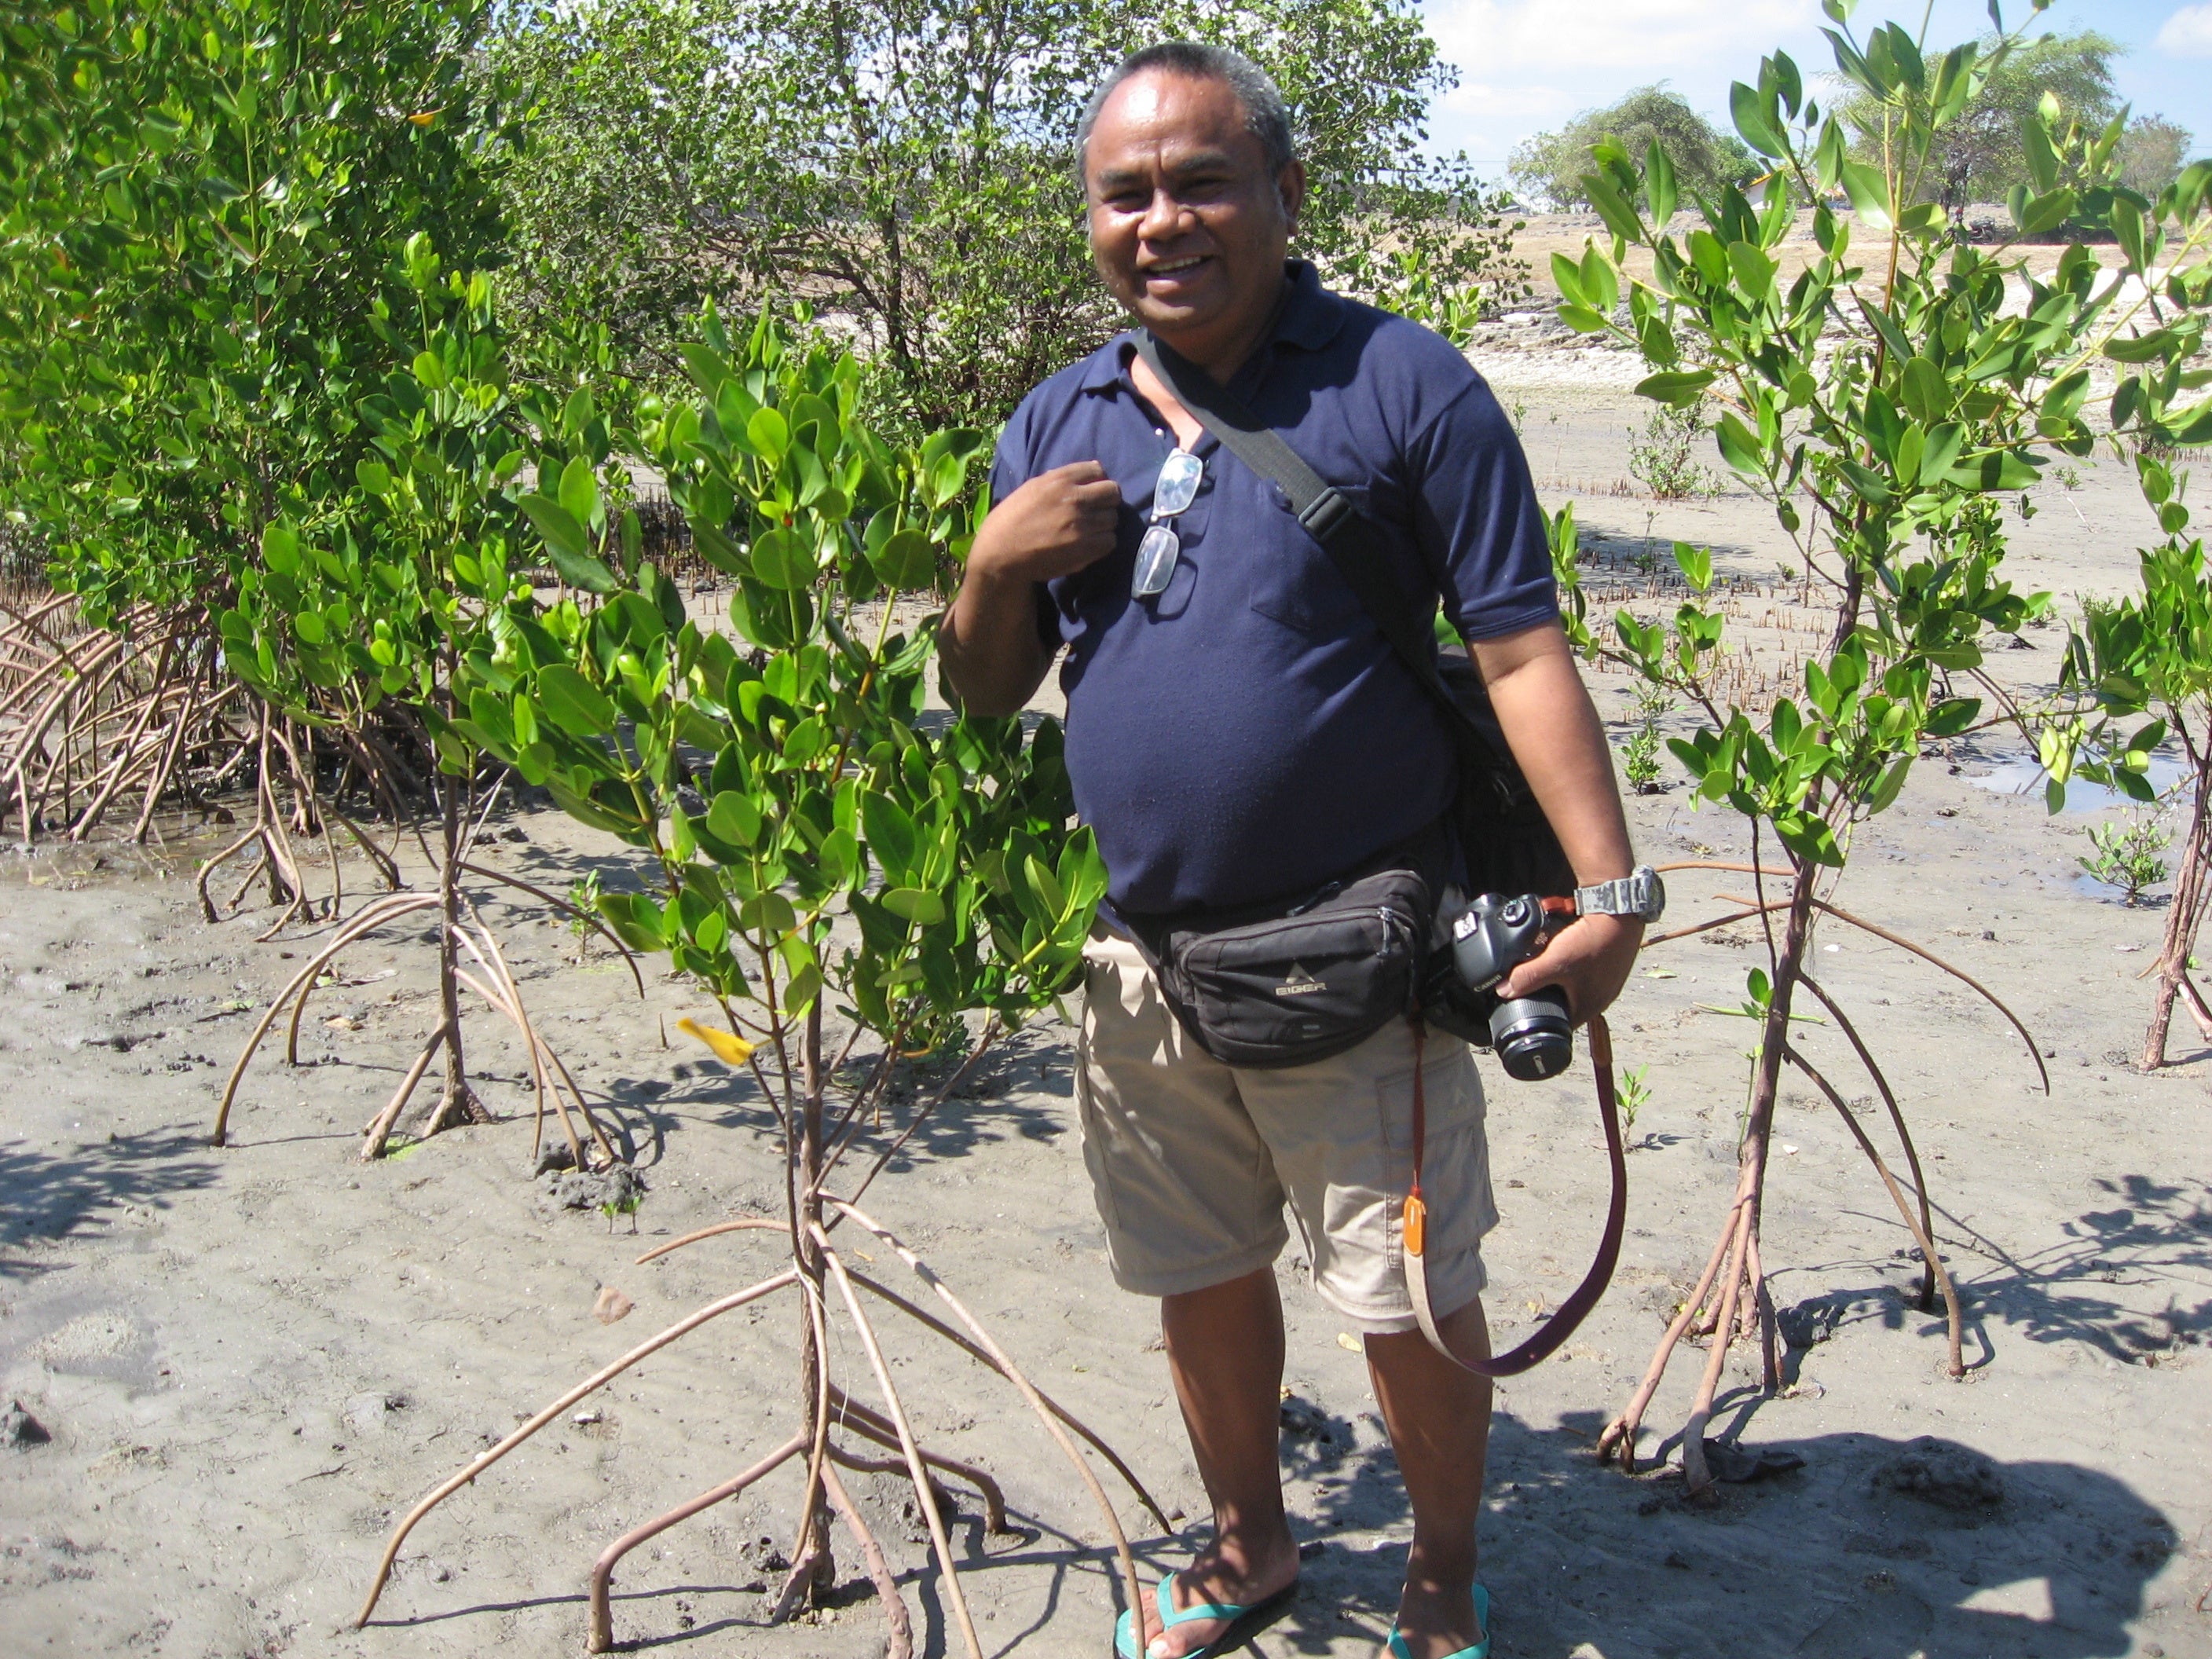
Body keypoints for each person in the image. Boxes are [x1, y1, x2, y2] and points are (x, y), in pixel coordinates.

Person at [939, 41, 1643, 1659]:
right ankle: (1248, 1551)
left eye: (1200, 182)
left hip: (1366, 951)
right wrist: (990, 565)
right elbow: (985, 693)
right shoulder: (1056, 421)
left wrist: (1612, 898)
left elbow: (1525, 652)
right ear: (1091, 220)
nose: (1162, 220)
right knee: (1194, 1270)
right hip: (1140, 958)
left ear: (1283, 194)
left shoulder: (1404, 386)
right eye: (1127, 194)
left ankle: (1442, 1578)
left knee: (1403, 1298)